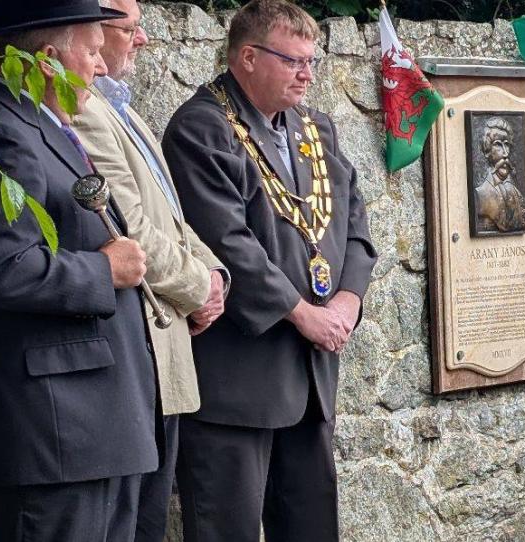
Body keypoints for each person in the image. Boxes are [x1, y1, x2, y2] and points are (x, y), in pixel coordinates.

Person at [161, 1, 377, 540]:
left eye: (311, 61)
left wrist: (347, 300)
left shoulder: (315, 127)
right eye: (293, 61)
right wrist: (302, 313)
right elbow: (227, 242)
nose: (307, 74)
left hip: (309, 377)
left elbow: (354, 220)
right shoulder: (200, 129)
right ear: (248, 58)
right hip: (238, 383)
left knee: (311, 527)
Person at [0, 0, 162, 540]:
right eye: (92, 52)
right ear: (48, 60)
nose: (101, 66)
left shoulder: (42, 127)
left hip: (93, 432)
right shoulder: (2, 132)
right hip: (55, 436)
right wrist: (103, 270)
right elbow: (2, 268)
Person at [70, 0, 229, 539]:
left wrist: (214, 274)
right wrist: (197, 286)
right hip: (138, 352)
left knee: (149, 521)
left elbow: (171, 216)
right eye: (129, 29)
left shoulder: (122, 108)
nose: (141, 40)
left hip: (164, 353)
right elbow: (130, 227)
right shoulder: (85, 110)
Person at [474, 117, 525, 233]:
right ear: (487, 151)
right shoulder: (481, 193)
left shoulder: (515, 191)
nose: (506, 153)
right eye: (498, 145)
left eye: (506, 145)